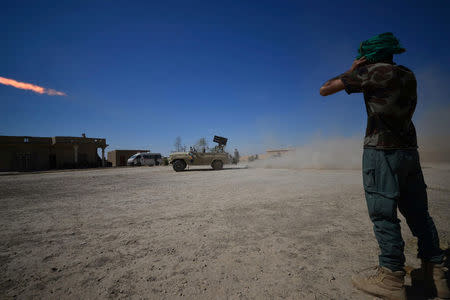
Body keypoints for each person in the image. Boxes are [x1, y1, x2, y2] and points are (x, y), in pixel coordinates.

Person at [319, 32, 449, 300]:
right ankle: (436, 272)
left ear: (369, 55)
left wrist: (353, 69)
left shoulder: (370, 72)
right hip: (409, 151)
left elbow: (325, 88)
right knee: (418, 213)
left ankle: (390, 278)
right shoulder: (408, 74)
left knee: (383, 213)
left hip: (381, 151)